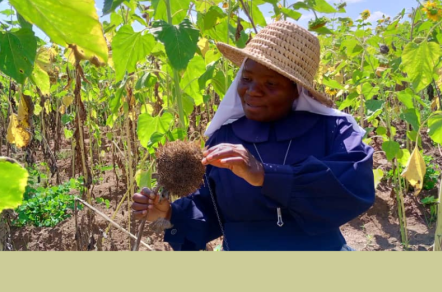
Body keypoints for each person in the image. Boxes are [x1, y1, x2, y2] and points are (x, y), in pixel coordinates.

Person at [131, 21, 375, 251]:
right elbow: (210, 206)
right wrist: (167, 214)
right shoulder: (225, 136)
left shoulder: (332, 130)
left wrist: (265, 174)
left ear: (296, 89)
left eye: (270, 84)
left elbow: (353, 187)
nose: (252, 92)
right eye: (246, 79)